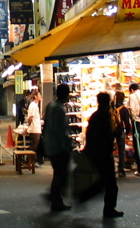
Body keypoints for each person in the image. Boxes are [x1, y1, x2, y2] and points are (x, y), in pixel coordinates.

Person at [77, 92, 124, 217]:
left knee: (104, 181)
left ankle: (85, 196)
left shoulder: (95, 116)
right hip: (104, 152)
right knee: (110, 183)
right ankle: (108, 208)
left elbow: (89, 134)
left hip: (95, 151)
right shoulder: (107, 116)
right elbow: (113, 133)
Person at [43, 83, 74, 211]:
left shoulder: (51, 105)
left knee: (59, 173)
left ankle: (54, 197)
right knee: (61, 174)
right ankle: (55, 199)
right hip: (58, 147)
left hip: (50, 144)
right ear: (66, 95)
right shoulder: (59, 109)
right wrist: (67, 144)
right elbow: (60, 130)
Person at [113, 91, 132, 177]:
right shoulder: (124, 109)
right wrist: (127, 132)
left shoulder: (111, 107)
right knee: (121, 150)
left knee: (110, 149)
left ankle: (110, 168)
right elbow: (127, 123)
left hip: (111, 131)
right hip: (120, 130)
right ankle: (121, 169)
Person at [25, 88, 43, 165]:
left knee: (34, 147)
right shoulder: (33, 105)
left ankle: (30, 161)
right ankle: (31, 162)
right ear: (35, 96)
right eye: (39, 95)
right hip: (34, 129)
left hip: (36, 129)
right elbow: (30, 118)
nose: (41, 96)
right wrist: (28, 126)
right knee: (34, 147)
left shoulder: (35, 105)